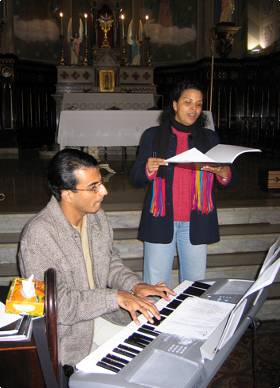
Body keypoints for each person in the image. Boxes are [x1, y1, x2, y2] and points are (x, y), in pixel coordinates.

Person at [18, 148, 174, 366]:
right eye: (94, 187)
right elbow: (59, 305)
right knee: (144, 365)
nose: (104, 192)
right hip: (72, 335)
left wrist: (135, 285)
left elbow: (110, 262)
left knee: (164, 343)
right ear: (67, 193)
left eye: (101, 183)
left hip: (105, 317)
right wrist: (115, 297)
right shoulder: (38, 238)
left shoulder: (96, 217)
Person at [130, 81, 231, 287]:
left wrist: (223, 172)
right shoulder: (153, 135)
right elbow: (136, 178)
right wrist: (148, 169)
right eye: (188, 102)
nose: (194, 109)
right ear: (175, 105)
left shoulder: (209, 138)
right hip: (160, 218)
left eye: (199, 104)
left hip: (196, 221)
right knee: (156, 286)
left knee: (194, 286)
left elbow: (227, 177)